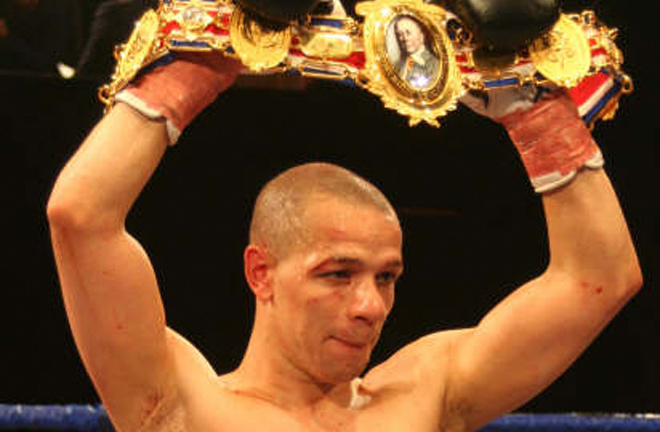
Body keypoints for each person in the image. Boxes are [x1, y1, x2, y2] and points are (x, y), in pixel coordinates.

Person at [46, 47, 642, 432]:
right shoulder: (184, 407)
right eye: (337, 274)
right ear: (261, 273)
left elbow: (599, 279)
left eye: (386, 278)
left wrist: (536, 114)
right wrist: (204, 58)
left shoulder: (428, 394)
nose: (370, 306)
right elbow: (80, 215)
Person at [392, 16, 439, 88]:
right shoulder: (397, 65)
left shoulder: (435, 64)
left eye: (408, 33)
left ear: (421, 36)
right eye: (400, 34)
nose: (405, 38)